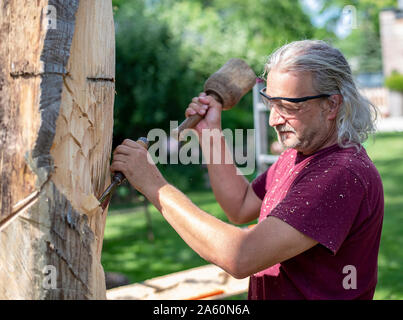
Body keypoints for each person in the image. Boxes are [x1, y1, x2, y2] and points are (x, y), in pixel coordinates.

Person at [110, 40, 384, 300]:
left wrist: (155, 186)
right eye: (272, 103)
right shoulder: (300, 156)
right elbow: (239, 206)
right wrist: (209, 133)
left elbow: (241, 257)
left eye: (288, 106)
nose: (275, 119)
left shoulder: (341, 175)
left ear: (331, 104)